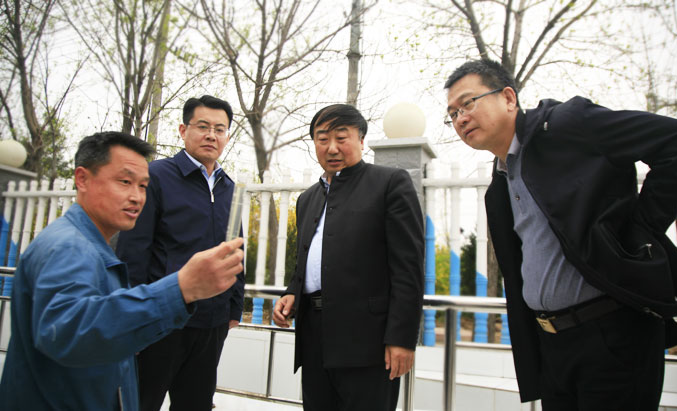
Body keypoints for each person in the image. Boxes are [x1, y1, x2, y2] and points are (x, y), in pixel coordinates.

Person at [444, 59, 677, 410]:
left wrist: (641, 230)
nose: (460, 118)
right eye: (453, 113)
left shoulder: (567, 125)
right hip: (553, 345)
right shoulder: (501, 184)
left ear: (508, 98)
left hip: (613, 335)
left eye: (468, 103)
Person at [0, 132, 244, 410]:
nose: (137, 196)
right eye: (125, 182)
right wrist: (181, 288)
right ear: (82, 179)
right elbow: (68, 333)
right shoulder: (68, 248)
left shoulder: (93, 246)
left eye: (143, 186)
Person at [272, 104, 425, 411]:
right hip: (314, 338)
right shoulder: (307, 199)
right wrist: (292, 292)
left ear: (361, 140)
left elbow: (408, 268)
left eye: (341, 138)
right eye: (322, 139)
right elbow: (307, 260)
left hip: (368, 342)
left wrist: (402, 338)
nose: (332, 147)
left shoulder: (389, 183)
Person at [116, 95, 245, 411]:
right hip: (163, 317)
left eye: (219, 129)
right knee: (141, 401)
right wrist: (134, 317)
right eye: (203, 126)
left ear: (227, 136)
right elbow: (134, 250)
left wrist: (234, 306)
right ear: (183, 130)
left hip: (212, 322)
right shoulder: (157, 176)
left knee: (196, 403)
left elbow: (235, 249)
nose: (211, 135)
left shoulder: (229, 187)